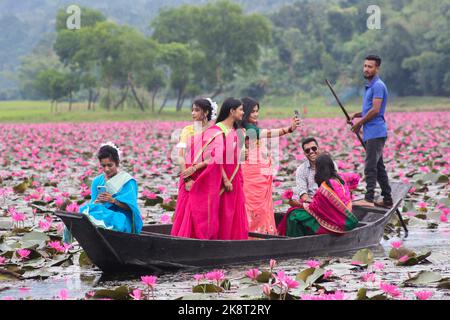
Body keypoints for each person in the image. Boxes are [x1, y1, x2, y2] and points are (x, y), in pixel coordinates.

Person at [171, 97, 248, 240]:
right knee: (190, 209)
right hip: (189, 174)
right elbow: (181, 157)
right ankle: (185, 240)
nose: (193, 113)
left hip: (207, 175)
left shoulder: (215, 130)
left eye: (197, 110)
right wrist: (187, 177)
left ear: (206, 112)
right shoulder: (188, 131)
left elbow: (216, 157)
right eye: (192, 110)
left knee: (208, 211)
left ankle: (207, 241)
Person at [240, 97, 300, 235]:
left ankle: (259, 232)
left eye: (257, 111)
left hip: (259, 172)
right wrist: (289, 129)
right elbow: (269, 134)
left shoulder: (248, 128)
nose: (256, 114)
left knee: (259, 206)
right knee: (253, 206)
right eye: (253, 111)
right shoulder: (248, 130)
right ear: (246, 112)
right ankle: (254, 234)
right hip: (252, 174)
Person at [63, 143, 143, 243]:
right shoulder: (97, 181)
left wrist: (113, 201)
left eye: (110, 165)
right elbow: (93, 204)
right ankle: (67, 245)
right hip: (102, 213)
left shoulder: (127, 181)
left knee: (107, 220)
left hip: (121, 218)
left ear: (117, 163)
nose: (107, 169)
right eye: (103, 166)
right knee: (79, 216)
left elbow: (132, 208)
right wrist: (96, 202)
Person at [277, 153, 358, 237]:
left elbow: (314, 208)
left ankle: (295, 242)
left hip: (335, 225)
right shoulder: (341, 178)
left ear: (320, 169)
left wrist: (297, 204)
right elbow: (356, 177)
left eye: (316, 167)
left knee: (293, 214)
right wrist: (350, 191)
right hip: (345, 219)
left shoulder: (325, 188)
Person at [350, 54, 393, 208]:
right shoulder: (370, 86)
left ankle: (368, 199)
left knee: (370, 166)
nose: (366, 69)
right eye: (365, 66)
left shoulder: (378, 86)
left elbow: (375, 110)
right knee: (379, 167)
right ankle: (387, 199)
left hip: (376, 132)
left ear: (377, 68)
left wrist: (359, 123)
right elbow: (369, 110)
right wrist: (356, 115)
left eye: (370, 66)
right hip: (372, 133)